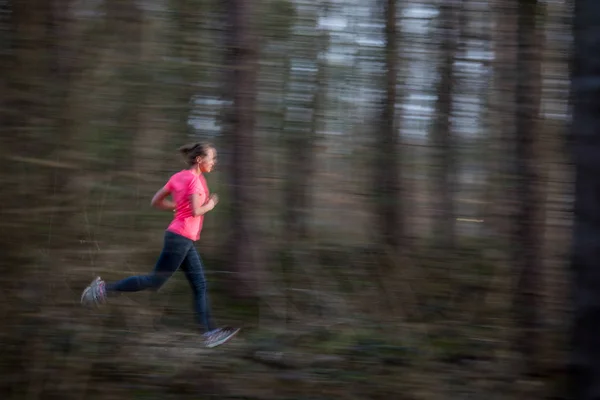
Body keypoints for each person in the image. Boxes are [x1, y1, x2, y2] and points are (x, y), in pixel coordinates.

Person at [80, 142, 239, 348]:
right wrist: (211, 204)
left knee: (199, 285)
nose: (214, 162)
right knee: (154, 281)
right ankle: (102, 290)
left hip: (182, 238)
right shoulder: (194, 180)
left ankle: (209, 333)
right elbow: (196, 211)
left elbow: (155, 200)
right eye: (212, 158)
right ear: (200, 160)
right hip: (180, 238)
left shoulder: (178, 177)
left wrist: (175, 205)